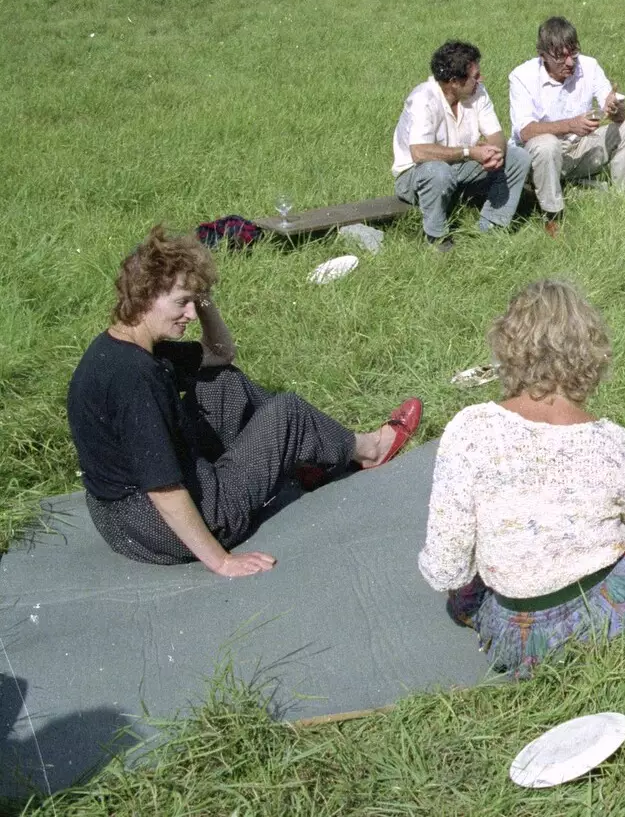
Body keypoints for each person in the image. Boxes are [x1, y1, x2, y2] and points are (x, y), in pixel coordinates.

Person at [418, 279, 625, 675]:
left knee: (472, 591)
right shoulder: (611, 444)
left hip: (518, 634)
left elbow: (447, 570)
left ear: (507, 350)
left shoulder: (469, 429)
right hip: (606, 619)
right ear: (589, 356)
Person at [67, 228, 423, 575]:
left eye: (194, 302)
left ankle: (308, 454)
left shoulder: (125, 348)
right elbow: (164, 488)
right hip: (155, 527)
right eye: (181, 303)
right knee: (289, 414)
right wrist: (220, 560)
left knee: (224, 383)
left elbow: (220, 354)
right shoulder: (134, 379)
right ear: (145, 298)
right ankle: (370, 450)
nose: (191, 314)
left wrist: (202, 297)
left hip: (120, 518)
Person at [392, 40, 531, 254]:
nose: (480, 79)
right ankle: (437, 239)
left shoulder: (477, 93)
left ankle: (490, 230)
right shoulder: (423, 99)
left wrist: (496, 153)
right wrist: (469, 152)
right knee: (438, 171)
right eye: (475, 76)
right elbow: (419, 152)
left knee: (518, 157)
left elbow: (495, 134)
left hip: (458, 168)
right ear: (454, 82)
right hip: (416, 176)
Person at [508, 17, 625, 236]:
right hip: (540, 158)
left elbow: (616, 115)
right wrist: (571, 125)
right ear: (542, 56)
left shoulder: (589, 66)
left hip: (580, 148)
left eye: (574, 53)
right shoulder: (522, 77)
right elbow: (525, 132)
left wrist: (616, 106)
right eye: (561, 57)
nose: (570, 62)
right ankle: (552, 215)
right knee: (546, 144)